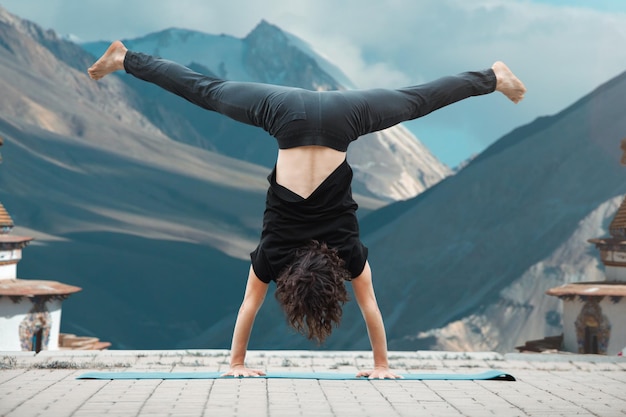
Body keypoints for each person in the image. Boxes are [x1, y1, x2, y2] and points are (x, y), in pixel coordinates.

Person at [88, 41, 526, 379]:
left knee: (414, 100)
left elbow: (372, 308)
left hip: (342, 119)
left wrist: (382, 365)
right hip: (286, 117)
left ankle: (493, 77)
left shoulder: (348, 254)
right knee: (208, 91)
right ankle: (125, 58)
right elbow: (248, 308)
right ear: (290, 282)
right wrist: (236, 363)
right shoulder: (274, 252)